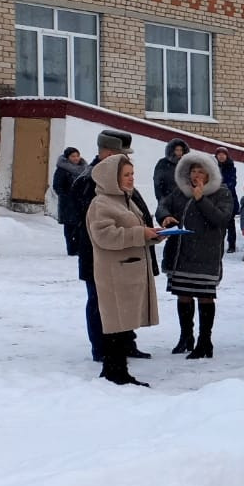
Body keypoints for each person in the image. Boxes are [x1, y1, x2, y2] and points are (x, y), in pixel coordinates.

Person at [68, 129, 153, 362]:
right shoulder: (90, 180)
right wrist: (137, 232)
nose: (126, 160)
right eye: (120, 154)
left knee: (125, 299)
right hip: (100, 256)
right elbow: (98, 225)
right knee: (101, 302)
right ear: (106, 153)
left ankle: (125, 343)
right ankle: (102, 348)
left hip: (126, 253)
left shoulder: (118, 176)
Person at [85, 154, 163, 386]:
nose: (131, 179)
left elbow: (134, 231)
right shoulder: (101, 203)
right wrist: (141, 234)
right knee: (116, 323)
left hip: (128, 271)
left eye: (132, 174)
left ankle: (116, 370)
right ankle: (115, 372)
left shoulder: (124, 200)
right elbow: (104, 235)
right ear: (112, 177)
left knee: (122, 323)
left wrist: (152, 235)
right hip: (114, 272)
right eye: (126, 175)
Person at [156, 150, 233, 359]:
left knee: (205, 296)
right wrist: (165, 217)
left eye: (201, 171)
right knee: (184, 295)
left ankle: (205, 340)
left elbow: (222, 219)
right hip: (182, 254)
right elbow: (163, 205)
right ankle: (186, 337)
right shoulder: (180, 192)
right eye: (193, 171)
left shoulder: (221, 192)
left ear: (209, 173)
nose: (196, 175)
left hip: (206, 254)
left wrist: (201, 200)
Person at [51, 147, 88, 255]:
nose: (76, 158)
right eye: (73, 156)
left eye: (77, 155)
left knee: (81, 226)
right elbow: (57, 186)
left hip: (82, 203)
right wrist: (67, 197)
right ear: (67, 158)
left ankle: (80, 248)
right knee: (70, 227)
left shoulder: (84, 169)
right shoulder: (62, 170)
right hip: (68, 204)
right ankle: (72, 249)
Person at [214, 148, 239, 253]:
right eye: (219, 154)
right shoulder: (213, 167)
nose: (221, 156)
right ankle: (217, 244)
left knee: (230, 222)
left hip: (230, 197)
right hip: (216, 198)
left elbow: (232, 182)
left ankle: (232, 245)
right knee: (217, 222)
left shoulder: (231, 167)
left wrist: (222, 187)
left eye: (223, 154)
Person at [151, 138, 190, 203]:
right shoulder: (163, 163)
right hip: (167, 200)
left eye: (181, 150)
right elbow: (157, 183)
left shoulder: (186, 164)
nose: (179, 152)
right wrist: (161, 199)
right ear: (172, 150)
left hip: (183, 202)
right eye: (177, 150)